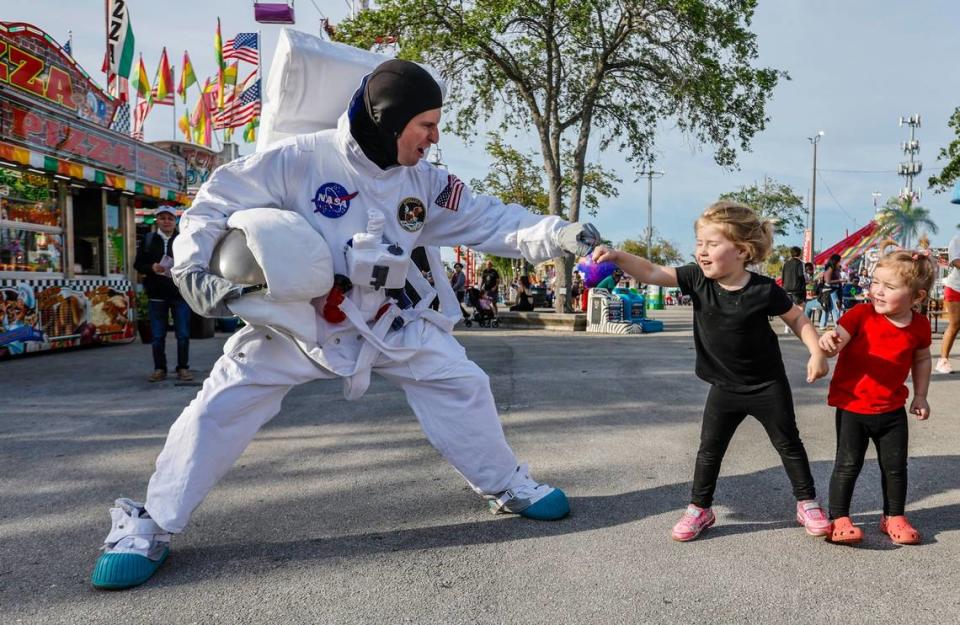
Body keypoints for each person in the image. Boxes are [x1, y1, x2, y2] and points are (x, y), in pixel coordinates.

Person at [90, 59, 603, 590]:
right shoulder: (299, 161)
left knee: (460, 382)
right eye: (426, 124)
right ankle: (151, 522)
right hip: (299, 326)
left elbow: (491, 220)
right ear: (388, 120)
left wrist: (558, 233)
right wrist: (191, 266)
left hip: (388, 319)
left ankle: (504, 485)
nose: (435, 136)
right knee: (222, 406)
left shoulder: (426, 182)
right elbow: (216, 199)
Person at [593, 201, 831, 542]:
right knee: (710, 449)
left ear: (741, 250)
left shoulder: (764, 289)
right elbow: (650, 271)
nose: (702, 252)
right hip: (724, 387)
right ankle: (700, 508)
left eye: (712, 244)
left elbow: (797, 318)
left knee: (789, 444)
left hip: (766, 385)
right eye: (699, 243)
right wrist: (618, 257)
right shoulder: (695, 278)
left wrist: (816, 351)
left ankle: (807, 503)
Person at [818, 250, 934, 544]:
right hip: (853, 407)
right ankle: (839, 517)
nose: (877, 291)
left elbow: (921, 360)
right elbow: (837, 342)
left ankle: (893, 516)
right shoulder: (860, 315)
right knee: (847, 465)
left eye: (889, 287)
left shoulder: (919, 326)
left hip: (892, 410)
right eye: (875, 283)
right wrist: (829, 343)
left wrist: (920, 396)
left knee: (895, 467)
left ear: (916, 297)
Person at [133, 207, 193, 382]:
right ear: (156, 221)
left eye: (169, 218)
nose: (166, 221)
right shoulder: (148, 240)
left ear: (175, 222)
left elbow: (193, 263)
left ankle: (183, 368)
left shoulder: (183, 241)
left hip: (179, 294)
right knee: (158, 336)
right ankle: (160, 368)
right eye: (162, 218)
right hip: (156, 294)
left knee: (182, 334)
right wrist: (151, 267)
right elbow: (138, 264)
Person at [936, 233, 960, 374]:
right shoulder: (957, 239)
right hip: (956, 288)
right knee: (955, 324)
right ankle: (943, 360)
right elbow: (956, 261)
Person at [781, 246, 806, 334]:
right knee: (801, 306)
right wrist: (805, 281)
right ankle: (798, 326)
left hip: (786, 288)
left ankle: (786, 327)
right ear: (799, 253)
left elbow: (783, 276)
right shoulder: (800, 263)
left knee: (788, 308)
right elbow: (801, 275)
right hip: (797, 289)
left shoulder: (786, 263)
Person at [818, 254, 844, 329]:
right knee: (835, 308)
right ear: (835, 261)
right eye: (839, 261)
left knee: (828, 308)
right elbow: (828, 281)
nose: (840, 263)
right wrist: (840, 280)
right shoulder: (830, 268)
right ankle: (837, 325)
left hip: (832, 290)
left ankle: (822, 325)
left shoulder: (833, 268)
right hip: (831, 291)